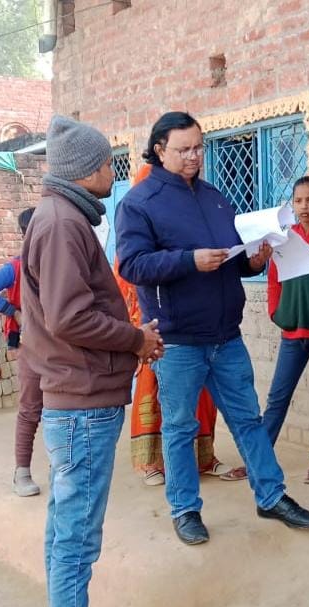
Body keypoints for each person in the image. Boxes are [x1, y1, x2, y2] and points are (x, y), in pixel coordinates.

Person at [115, 111, 309, 545]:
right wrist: (189, 260)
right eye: (184, 149)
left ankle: (271, 496)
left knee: (248, 420)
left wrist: (252, 261)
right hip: (178, 340)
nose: (194, 156)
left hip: (226, 335)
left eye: (199, 147)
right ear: (159, 150)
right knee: (179, 428)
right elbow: (132, 265)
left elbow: (230, 255)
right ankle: (185, 509)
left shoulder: (214, 197)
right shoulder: (139, 203)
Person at [21, 115, 162, 607]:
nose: (113, 172)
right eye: (108, 164)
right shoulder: (60, 223)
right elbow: (69, 317)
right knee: (75, 544)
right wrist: (135, 338)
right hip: (80, 402)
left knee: (67, 538)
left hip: (81, 397)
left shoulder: (65, 217)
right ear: (85, 170)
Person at [113, 162, 242, 487]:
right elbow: (128, 281)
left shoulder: (198, 212)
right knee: (158, 400)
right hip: (154, 329)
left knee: (202, 399)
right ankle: (151, 463)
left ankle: (204, 457)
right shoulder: (136, 219)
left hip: (201, 329)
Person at [261, 175, 309, 484]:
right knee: (278, 396)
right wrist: (276, 312)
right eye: (298, 201)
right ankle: (260, 456)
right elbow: (273, 280)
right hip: (291, 332)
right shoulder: (284, 239)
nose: (304, 206)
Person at [0, 208, 43, 497]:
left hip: (61, 345)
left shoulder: (58, 261)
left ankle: (62, 468)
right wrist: (13, 311)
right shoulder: (16, 267)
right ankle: (22, 471)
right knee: (31, 407)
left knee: (61, 407)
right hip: (31, 345)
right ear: (26, 234)